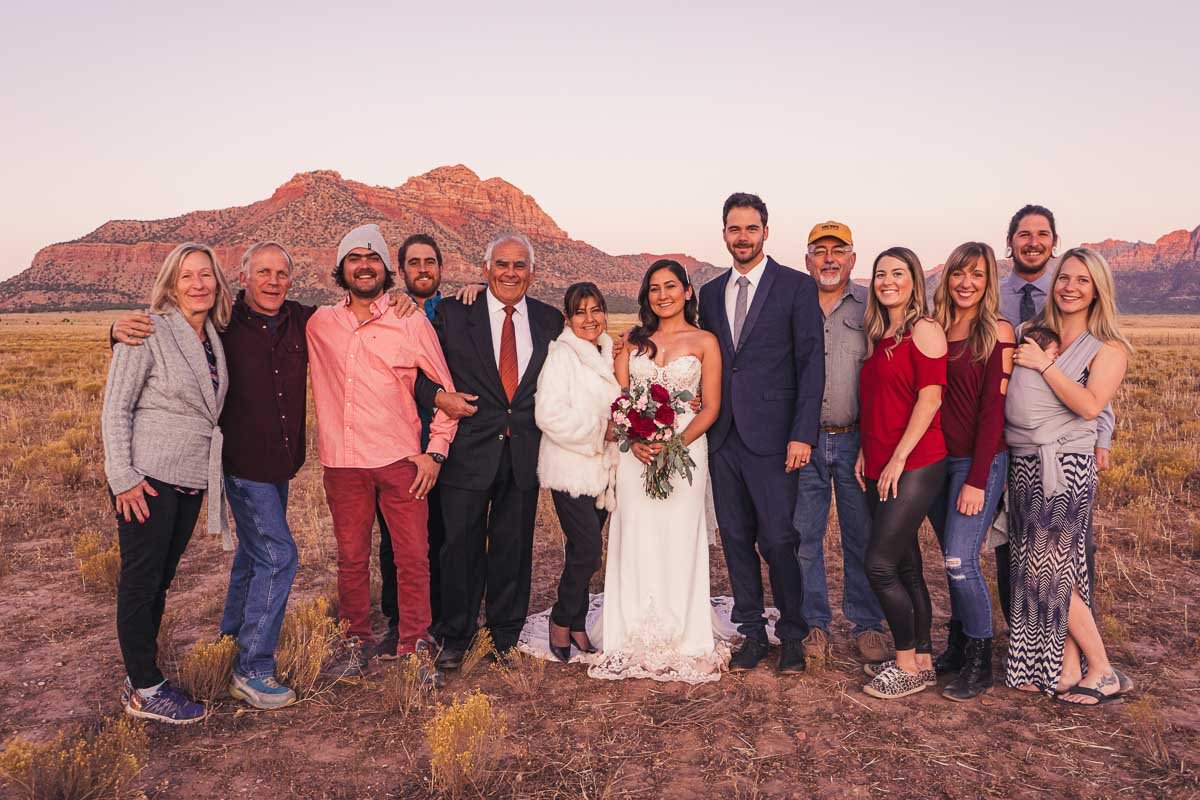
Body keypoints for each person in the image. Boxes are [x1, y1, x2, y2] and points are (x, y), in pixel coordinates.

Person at [110, 242, 423, 705]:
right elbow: (155, 341)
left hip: (280, 465)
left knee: (254, 555)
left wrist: (402, 301)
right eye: (263, 272)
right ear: (243, 277)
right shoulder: (224, 321)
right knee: (278, 555)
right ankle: (252, 666)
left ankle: (230, 635)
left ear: (291, 280)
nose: (273, 281)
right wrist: (114, 330)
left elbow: (355, 315)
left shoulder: (306, 319)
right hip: (239, 465)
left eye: (281, 273)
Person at [307, 224, 458, 673]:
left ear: (387, 269)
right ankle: (355, 644)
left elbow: (447, 391)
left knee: (412, 558)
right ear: (341, 269)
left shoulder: (408, 320)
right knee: (351, 559)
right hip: (343, 463)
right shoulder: (319, 324)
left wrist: (436, 452)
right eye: (354, 258)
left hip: (400, 461)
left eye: (373, 258)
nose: (364, 266)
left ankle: (415, 644)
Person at [416, 233, 565, 669]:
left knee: (513, 547)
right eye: (501, 264)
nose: (510, 273)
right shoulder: (453, 313)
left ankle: (503, 635)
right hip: (467, 450)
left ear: (533, 273)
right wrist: (438, 398)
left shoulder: (549, 320)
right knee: (458, 546)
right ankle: (455, 635)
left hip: (523, 453)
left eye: (520, 265)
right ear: (485, 269)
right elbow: (417, 371)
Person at [102, 242, 232, 724]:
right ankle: (145, 689)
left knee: (160, 581)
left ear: (217, 282)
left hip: (190, 477)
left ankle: (140, 675)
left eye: (205, 275)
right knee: (140, 582)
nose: (197, 284)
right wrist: (123, 478)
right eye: (186, 276)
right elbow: (116, 407)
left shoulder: (213, 337)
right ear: (170, 284)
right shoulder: (148, 330)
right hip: (147, 479)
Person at [698, 193, 825, 674]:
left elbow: (812, 363)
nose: (743, 237)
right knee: (734, 536)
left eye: (751, 228)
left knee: (778, 540)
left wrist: (802, 434)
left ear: (766, 232)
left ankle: (792, 635)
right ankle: (751, 631)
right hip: (723, 435)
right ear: (725, 233)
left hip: (776, 439)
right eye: (735, 229)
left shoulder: (795, 286)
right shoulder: (710, 294)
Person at [1005, 248, 1134, 705]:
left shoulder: (1108, 348)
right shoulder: (1032, 333)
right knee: (1050, 568)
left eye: (1082, 280)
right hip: (1023, 463)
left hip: (1065, 468)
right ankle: (1063, 669)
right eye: (1064, 278)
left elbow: (1091, 405)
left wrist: (1044, 365)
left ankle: (1102, 669)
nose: (1070, 287)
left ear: (1098, 288)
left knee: (1049, 572)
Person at [587, 260, 726, 682]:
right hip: (638, 454)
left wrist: (674, 445)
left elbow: (713, 406)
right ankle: (629, 627)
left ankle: (685, 631)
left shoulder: (705, 342)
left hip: (686, 452)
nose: (662, 295)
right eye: (653, 289)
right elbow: (622, 399)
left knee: (681, 533)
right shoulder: (632, 342)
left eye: (670, 286)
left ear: (687, 291)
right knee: (637, 532)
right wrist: (637, 440)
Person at [994, 205, 1114, 622]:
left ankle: (1078, 643)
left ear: (1054, 242)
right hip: (1011, 437)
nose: (1033, 242)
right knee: (1014, 538)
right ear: (1009, 242)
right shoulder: (995, 295)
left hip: (1065, 441)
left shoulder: (1070, 293)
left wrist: (1102, 433)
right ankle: (1023, 633)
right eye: (1024, 234)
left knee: (1071, 545)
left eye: (1042, 234)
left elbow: (1095, 373)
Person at [374, 234, 483, 659]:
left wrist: (482, 287)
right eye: (414, 262)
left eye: (430, 262)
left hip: (450, 442)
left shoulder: (458, 309)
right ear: (400, 271)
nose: (423, 269)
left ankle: (446, 619)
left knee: (447, 534)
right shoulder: (388, 314)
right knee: (396, 541)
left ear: (441, 268)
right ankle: (399, 622)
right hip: (399, 444)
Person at [793, 220, 888, 665]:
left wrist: (874, 441)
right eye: (820, 250)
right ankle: (814, 624)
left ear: (852, 257)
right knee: (804, 537)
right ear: (807, 258)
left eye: (839, 250)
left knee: (861, 536)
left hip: (855, 441)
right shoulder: (792, 303)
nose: (829, 258)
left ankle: (868, 624)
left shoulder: (872, 305)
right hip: (804, 442)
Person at [855, 246, 947, 699]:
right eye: (880, 274)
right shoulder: (882, 332)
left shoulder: (923, 329)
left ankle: (906, 664)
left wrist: (896, 459)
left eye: (898, 273)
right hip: (878, 463)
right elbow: (879, 405)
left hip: (917, 462)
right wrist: (867, 455)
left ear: (914, 280)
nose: (887, 281)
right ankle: (925, 661)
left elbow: (930, 400)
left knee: (879, 565)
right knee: (908, 565)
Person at [927, 242, 1015, 700]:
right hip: (936, 463)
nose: (966, 283)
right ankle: (958, 646)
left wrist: (979, 479)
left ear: (988, 282)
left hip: (976, 462)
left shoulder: (997, 331)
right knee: (949, 558)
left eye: (977, 275)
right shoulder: (937, 328)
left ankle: (981, 662)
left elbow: (992, 413)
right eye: (959, 274)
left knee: (962, 561)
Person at [528, 282, 621, 662]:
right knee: (587, 552)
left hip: (600, 472)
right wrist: (600, 429)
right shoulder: (562, 355)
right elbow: (547, 414)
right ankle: (561, 619)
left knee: (582, 552)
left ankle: (579, 624)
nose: (589, 318)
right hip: (570, 467)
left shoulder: (607, 350)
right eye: (580, 311)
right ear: (567, 318)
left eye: (595, 309)